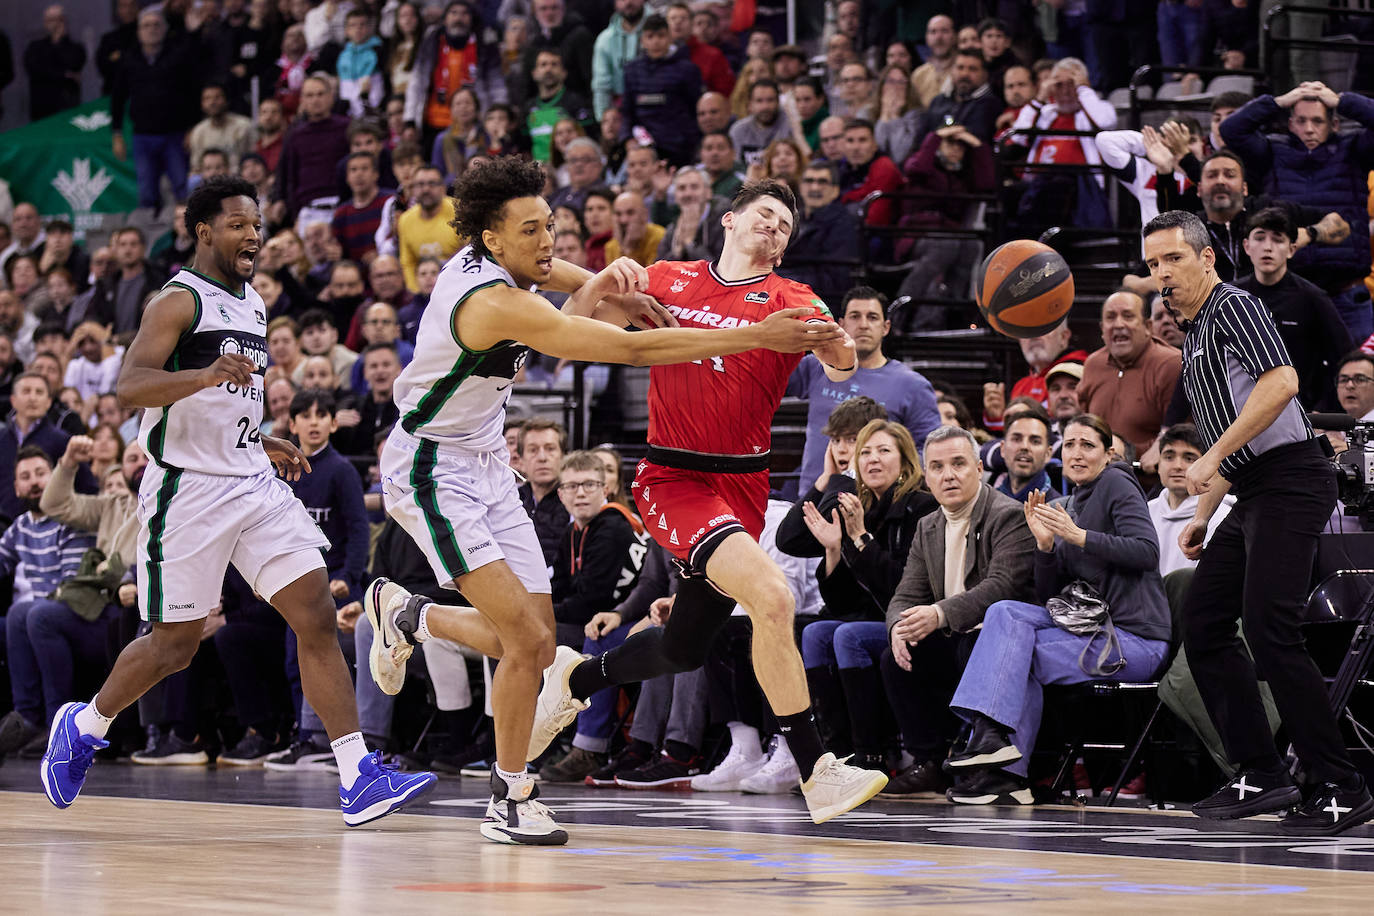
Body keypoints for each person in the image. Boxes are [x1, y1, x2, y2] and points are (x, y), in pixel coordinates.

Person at [359, 160, 843, 845]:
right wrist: (755, 337)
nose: (549, 239)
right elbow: (635, 352)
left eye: (551, 223)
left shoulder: (506, 260)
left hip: (489, 459)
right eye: (533, 230)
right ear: (493, 242)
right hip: (433, 466)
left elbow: (553, 273)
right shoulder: (494, 302)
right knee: (527, 642)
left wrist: (592, 279)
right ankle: (509, 796)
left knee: (531, 639)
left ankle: (410, 614)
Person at [37, 177, 437, 824]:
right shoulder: (177, 299)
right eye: (238, 225)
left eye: (258, 225)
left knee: (311, 611)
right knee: (176, 644)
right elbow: (132, 387)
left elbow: (228, 397)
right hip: (186, 489)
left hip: (250, 480)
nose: (254, 235)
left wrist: (262, 436)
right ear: (203, 231)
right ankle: (85, 725)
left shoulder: (250, 301)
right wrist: (202, 375)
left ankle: (355, 771)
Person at [1141, 208, 1374, 835]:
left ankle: (1340, 783)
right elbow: (1234, 433)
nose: (1162, 273)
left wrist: (1213, 461)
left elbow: (1283, 385)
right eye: (1153, 264)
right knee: (1205, 620)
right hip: (1253, 488)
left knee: (1271, 630)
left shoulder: (1234, 304)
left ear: (1208, 257)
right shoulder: (1195, 338)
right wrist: (1206, 511)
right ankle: (1261, 773)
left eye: (1173, 259)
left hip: (1294, 479)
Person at [944, 414, 1172, 806]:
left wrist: (1077, 536)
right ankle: (990, 739)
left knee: (1020, 653)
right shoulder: (1067, 502)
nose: (1077, 453)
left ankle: (1003, 769)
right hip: (1088, 628)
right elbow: (1050, 596)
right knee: (1005, 613)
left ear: (1109, 454)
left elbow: (1147, 552)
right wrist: (1046, 547)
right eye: (1069, 444)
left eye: (1088, 445)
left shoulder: (1116, 481)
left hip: (1135, 639)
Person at [880, 425, 1036, 798]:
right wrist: (896, 630)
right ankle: (929, 762)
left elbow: (1001, 586)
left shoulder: (1007, 515)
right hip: (952, 634)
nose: (948, 475)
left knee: (969, 643)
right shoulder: (928, 525)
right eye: (936, 467)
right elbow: (904, 596)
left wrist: (938, 614)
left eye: (958, 464)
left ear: (979, 468)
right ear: (926, 475)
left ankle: (979, 761)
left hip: (996, 640)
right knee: (895, 656)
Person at [798, 420, 937, 770]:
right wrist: (833, 550)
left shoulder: (920, 508)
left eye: (884, 451)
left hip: (915, 618)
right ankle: (835, 752)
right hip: (873, 619)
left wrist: (860, 537)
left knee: (849, 636)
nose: (873, 460)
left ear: (906, 462)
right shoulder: (861, 506)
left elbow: (902, 587)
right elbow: (841, 603)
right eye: (865, 453)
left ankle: (870, 755)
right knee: (815, 633)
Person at [1222, 81, 1374, 341]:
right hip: (1289, 289)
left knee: (1358, 374)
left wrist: (1340, 100)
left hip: (1346, 290)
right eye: (1301, 121)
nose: (1309, 129)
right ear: (1291, 123)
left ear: (1334, 124)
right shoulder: (1271, 151)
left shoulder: (1355, 150)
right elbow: (1231, 129)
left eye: (1317, 121)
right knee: (1289, 375)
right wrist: (1279, 101)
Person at [787, 287, 940, 496]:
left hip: (875, 504)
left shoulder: (912, 385)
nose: (864, 325)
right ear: (840, 324)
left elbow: (930, 450)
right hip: (813, 498)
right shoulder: (817, 365)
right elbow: (763, 381)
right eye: (855, 316)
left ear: (886, 327)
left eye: (873, 317)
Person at [0, 447, 98, 758]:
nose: (34, 483)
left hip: (84, 616)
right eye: (25, 477)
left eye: (41, 474)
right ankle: (26, 717)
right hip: (42, 614)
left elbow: (70, 588)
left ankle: (59, 725)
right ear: (16, 488)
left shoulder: (70, 521)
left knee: (32, 613)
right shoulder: (20, 527)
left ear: (55, 477)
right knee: (19, 615)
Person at [1235, 207, 1352, 410]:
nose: (1268, 247)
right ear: (1247, 246)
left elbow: (1345, 360)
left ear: (1292, 249)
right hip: (1240, 412)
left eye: (1278, 239)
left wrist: (1323, 410)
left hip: (1301, 413)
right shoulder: (1230, 297)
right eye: (1260, 238)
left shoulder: (1313, 298)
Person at [110, 9, 201, 213]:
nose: (151, 29)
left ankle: (187, 233)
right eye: (146, 25)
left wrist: (192, 127)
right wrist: (116, 132)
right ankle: (148, 238)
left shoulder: (178, 55)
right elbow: (117, 98)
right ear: (138, 31)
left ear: (165, 29)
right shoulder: (129, 59)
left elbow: (193, 93)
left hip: (175, 135)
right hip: (143, 136)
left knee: (182, 188)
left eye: (156, 25)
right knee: (146, 192)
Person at [1076, 289, 1182, 457]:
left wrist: (1120, 454)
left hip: (1149, 479)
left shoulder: (1171, 364)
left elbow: (1182, 435)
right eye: (1111, 317)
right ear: (1102, 330)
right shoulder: (1092, 364)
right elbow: (1083, 427)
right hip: (1097, 476)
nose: (1118, 324)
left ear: (1148, 327)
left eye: (1128, 316)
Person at [1149, 423, 1236, 577]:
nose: (1178, 466)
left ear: (1206, 464)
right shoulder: (1145, 511)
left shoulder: (1223, 516)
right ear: (1158, 464)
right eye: (1169, 457)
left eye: (1189, 458)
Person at [620, 14, 702, 168]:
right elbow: (626, 111)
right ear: (642, 41)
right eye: (650, 36)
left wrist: (689, 140)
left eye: (661, 36)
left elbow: (695, 110)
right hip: (643, 147)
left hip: (679, 147)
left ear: (670, 37)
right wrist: (627, 138)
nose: (656, 41)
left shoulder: (687, 69)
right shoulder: (632, 70)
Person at [777, 161, 861, 309]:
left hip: (817, 304)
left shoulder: (843, 225)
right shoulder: (792, 218)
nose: (814, 187)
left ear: (835, 190)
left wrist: (779, 279)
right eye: (809, 181)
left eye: (822, 182)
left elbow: (835, 279)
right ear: (801, 187)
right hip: (786, 293)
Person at [397, 166, 461, 291]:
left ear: (443, 188)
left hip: (458, 287)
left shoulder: (460, 210)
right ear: (413, 189)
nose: (426, 189)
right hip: (424, 292)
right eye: (420, 184)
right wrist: (416, 293)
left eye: (432, 184)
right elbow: (408, 263)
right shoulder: (405, 220)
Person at [922, 49, 1001, 146]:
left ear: (985, 74)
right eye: (960, 68)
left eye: (972, 69)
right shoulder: (938, 101)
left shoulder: (991, 104)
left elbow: (975, 138)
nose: (965, 74)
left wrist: (939, 135)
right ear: (951, 71)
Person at [24, 5, 86, 120]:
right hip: (42, 106)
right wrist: (64, 74)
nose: (54, 24)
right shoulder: (35, 47)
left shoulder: (76, 48)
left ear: (64, 21)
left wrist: (59, 41)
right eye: (50, 20)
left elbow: (73, 63)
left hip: (66, 105)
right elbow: (35, 70)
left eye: (58, 19)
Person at [591, 0, 644, 119]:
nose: (629, 2)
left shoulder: (660, 31)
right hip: (620, 112)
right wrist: (602, 120)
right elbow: (601, 86)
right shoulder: (604, 40)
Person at [605, 192, 664, 267]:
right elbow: (614, 277)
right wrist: (626, 248)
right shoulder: (611, 246)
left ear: (644, 215)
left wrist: (630, 249)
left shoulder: (659, 237)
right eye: (618, 214)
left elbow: (652, 276)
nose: (623, 220)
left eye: (630, 213)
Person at [911, 15, 956, 108]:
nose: (938, 37)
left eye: (944, 31)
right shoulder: (918, 75)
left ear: (954, 36)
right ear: (927, 38)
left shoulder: (963, 69)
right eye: (933, 32)